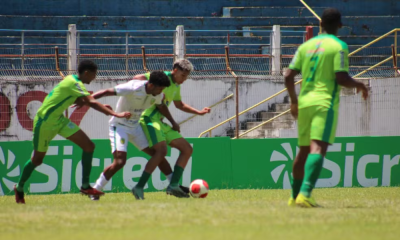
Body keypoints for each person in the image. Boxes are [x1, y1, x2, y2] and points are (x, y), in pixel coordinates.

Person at [13, 60, 131, 204]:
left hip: (59, 121)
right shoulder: (74, 83)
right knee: (37, 160)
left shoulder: (74, 82)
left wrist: (101, 106)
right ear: (86, 73)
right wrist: (116, 114)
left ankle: (86, 186)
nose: (94, 78)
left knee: (89, 146)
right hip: (45, 122)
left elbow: (88, 100)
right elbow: (91, 102)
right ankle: (19, 187)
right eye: (94, 75)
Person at [284, 8, 369, 208]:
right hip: (324, 103)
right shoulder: (339, 46)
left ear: (320, 24)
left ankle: (294, 197)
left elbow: (288, 76)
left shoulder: (305, 46)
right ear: (340, 25)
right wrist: (360, 85)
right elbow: (341, 78)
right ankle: (305, 194)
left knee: (303, 151)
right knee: (318, 147)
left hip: (304, 103)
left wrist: (294, 102)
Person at [85, 71, 175, 200]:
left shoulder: (158, 94)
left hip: (135, 127)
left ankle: (173, 184)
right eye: (160, 88)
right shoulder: (132, 87)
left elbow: (162, 107)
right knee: (120, 162)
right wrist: (87, 101)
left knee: (158, 154)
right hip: (119, 126)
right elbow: (106, 92)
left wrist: (173, 122)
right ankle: (95, 190)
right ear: (151, 85)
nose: (161, 91)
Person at [131, 59, 211, 200]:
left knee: (187, 149)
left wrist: (198, 112)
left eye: (186, 77)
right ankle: (139, 186)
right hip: (149, 119)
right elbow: (137, 78)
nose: (184, 79)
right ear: (175, 70)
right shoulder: (162, 77)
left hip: (160, 121)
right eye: (183, 76)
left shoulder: (176, 86)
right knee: (161, 152)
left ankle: (173, 185)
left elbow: (179, 105)